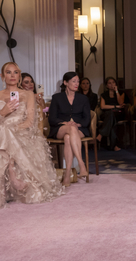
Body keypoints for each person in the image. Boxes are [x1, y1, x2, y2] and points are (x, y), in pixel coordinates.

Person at [0, 62, 64, 208]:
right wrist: (3, 112)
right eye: (8, 72)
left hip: (20, 132)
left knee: (5, 131)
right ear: (2, 76)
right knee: (3, 130)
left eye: (15, 72)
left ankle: (12, 178)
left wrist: (11, 128)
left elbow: (29, 121)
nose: (12, 76)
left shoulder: (28, 94)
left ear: (19, 75)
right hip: (1, 133)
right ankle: (13, 176)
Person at [48, 72, 91, 186]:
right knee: (69, 130)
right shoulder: (57, 98)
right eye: (74, 81)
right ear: (66, 83)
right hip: (60, 128)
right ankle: (81, 165)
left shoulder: (83, 99)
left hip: (79, 129)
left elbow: (87, 119)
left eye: (78, 81)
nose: (77, 84)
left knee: (68, 137)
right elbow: (52, 118)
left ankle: (67, 174)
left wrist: (77, 124)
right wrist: (65, 123)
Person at [97, 77, 126, 151]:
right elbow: (103, 106)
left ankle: (101, 134)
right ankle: (114, 145)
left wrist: (116, 91)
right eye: (109, 83)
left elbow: (121, 103)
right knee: (111, 115)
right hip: (107, 114)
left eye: (113, 82)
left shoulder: (121, 93)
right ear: (107, 85)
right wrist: (116, 106)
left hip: (118, 114)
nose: (112, 84)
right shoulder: (104, 95)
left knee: (112, 119)